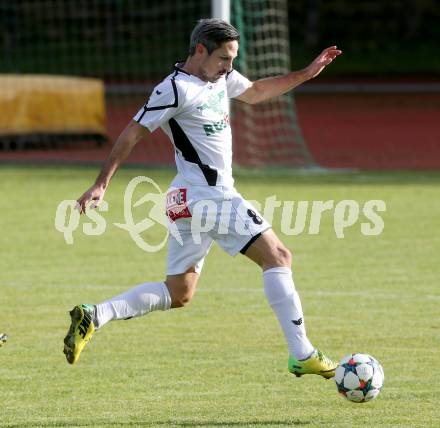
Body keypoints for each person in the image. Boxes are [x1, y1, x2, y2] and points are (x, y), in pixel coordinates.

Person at [64, 18, 342, 378]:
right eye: (223, 59)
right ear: (199, 51)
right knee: (278, 256)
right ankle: (302, 352)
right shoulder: (174, 89)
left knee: (178, 292)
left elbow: (255, 91)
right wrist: (102, 183)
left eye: (232, 60)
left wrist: (306, 73)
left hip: (185, 196)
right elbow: (133, 132)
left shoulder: (220, 78)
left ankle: (95, 315)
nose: (229, 67)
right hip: (207, 195)